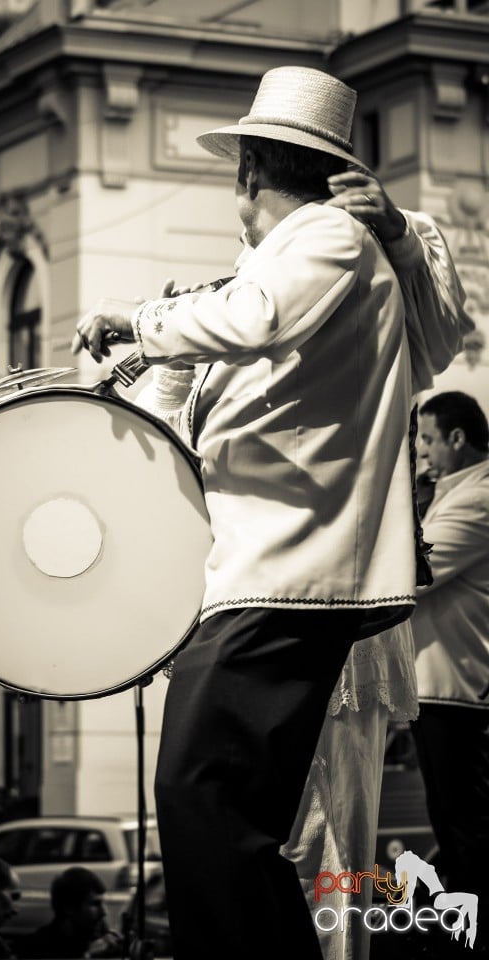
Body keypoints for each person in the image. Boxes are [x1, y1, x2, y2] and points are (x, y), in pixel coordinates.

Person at [73, 64, 419, 960]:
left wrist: (139, 322)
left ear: (255, 172)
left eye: (241, 175)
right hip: (276, 570)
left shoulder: (326, 236)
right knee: (226, 813)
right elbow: (245, 353)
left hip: (290, 573)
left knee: (201, 797)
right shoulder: (312, 254)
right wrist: (157, 361)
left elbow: (255, 315)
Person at [279, 176, 472, 960]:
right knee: (301, 830)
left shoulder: (385, 311)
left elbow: (443, 322)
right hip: (289, 606)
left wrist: (396, 230)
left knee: (333, 835)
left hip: (341, 617)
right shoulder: (286, 289)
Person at [411, 390, 489, 952]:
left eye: (428, 439)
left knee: (465, 832)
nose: (421, 453)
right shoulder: (454, 491)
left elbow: (416, 572)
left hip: (456, 688)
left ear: (457, 439)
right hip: (440, 687)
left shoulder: (479, 497)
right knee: (453, 823)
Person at [21, 866, 123, 959]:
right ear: (68, 907)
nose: (104, 912)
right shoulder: (37, 947)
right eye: (95, 904)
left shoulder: (97, 940)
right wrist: (88, 955)